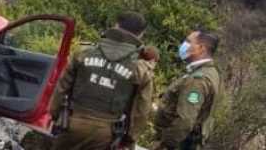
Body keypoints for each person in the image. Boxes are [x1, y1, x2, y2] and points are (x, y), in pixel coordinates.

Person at [49, 12, 155, 150]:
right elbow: (141, 111)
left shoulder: (83, 53)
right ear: (141, 34)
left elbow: (61, 88)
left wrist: (56, 116)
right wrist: (130, 138)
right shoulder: (141, 69)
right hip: (108, 133)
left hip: (71, 124)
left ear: (116, 25)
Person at [151, 30, 221, 150]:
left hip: (179, 144)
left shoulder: (198, 80)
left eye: (188, 42)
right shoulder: (209, 72)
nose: (183, 45)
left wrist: (165, 144)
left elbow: (185, 120)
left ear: (201, 48)